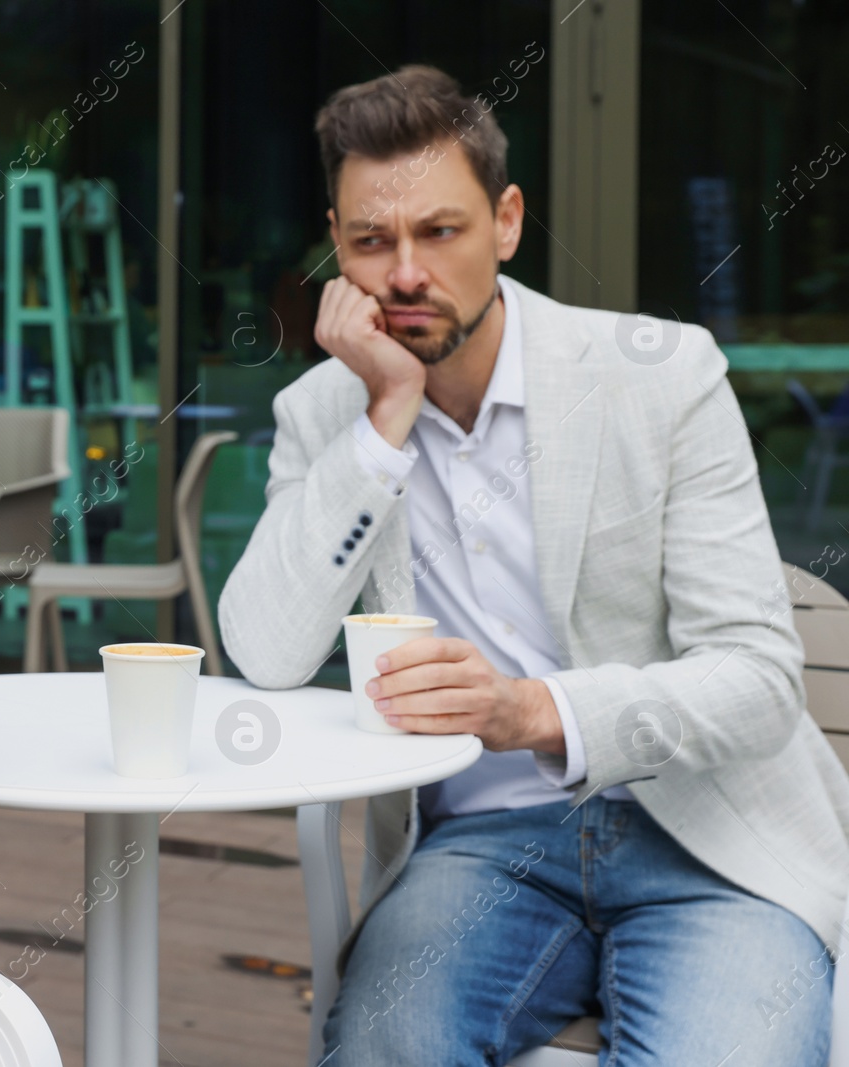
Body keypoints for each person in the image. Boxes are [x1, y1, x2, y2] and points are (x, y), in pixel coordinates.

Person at [218, 64, 849, 1065]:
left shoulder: (662, 375)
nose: (406, 273)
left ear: (506, 222)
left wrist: (531, 711)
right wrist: (383, 420)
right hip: (482, 850)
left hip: (707, 839)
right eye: (372, 241)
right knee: (386, 1050)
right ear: (336, 246)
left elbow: (758, 678)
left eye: (440, 231)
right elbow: (263, 652)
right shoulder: (325, 414)